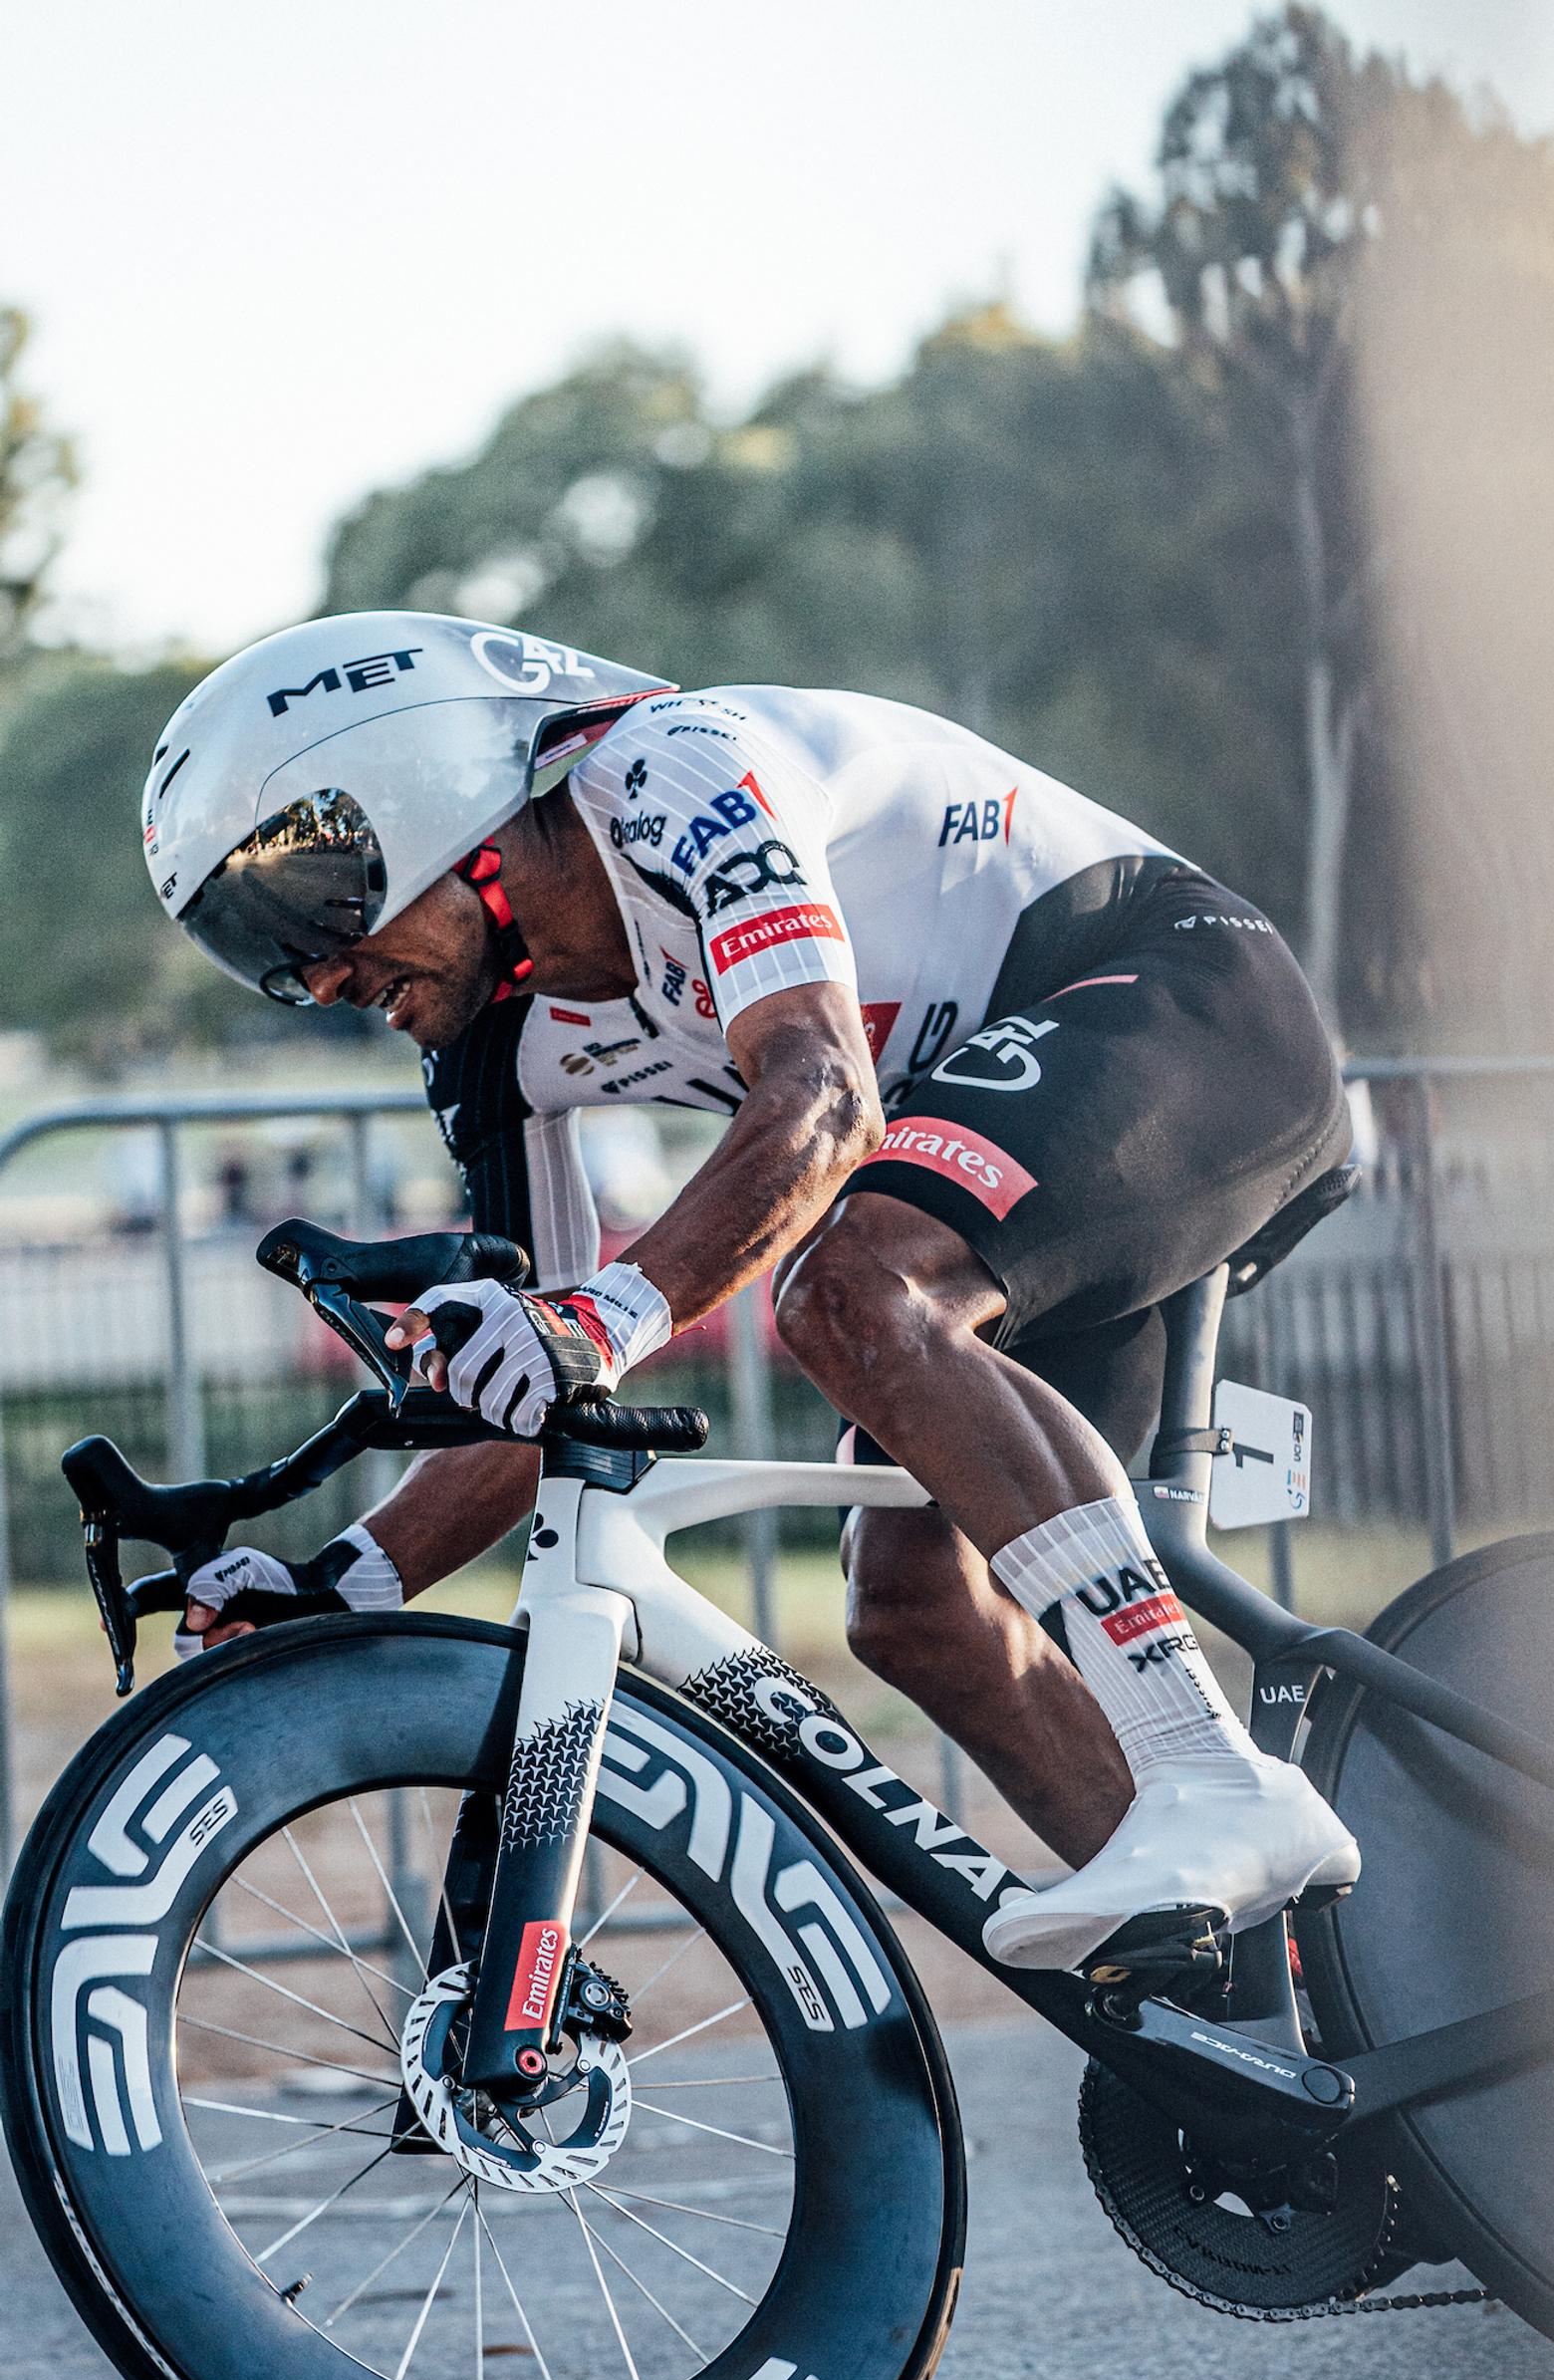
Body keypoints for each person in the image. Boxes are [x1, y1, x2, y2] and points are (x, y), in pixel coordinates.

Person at [144, 610, 1358, 1976]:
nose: (315, 978)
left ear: (428, 799)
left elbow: (825, 1098)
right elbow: (539, 1386)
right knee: (913, 1606)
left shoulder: (669, 771)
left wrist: (598, 1314)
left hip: (1176, 997)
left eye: (311, 913)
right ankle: (1258, 2009)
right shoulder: (493, 1050)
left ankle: (1213, 1773)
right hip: (1002, 1157)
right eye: (263, 955)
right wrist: (337, 1584)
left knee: (847, 1287)